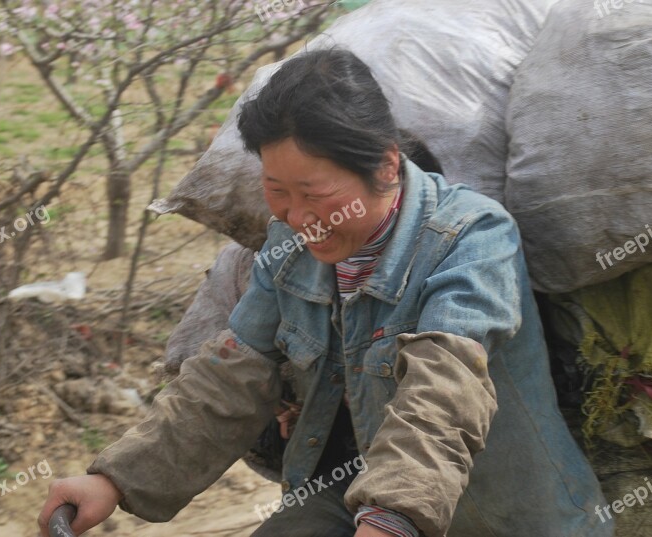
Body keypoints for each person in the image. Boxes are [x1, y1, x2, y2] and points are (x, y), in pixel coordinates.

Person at [38, 48, 614, 537]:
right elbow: (230, 376)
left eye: (313, 193)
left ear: (386, 167)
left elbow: (445, 391)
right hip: (352, 498)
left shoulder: (473, 237)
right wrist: (115, 479)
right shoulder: (288, 247)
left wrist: (392, 517)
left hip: (496, 516)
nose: (293, 215)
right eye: (275, 191)